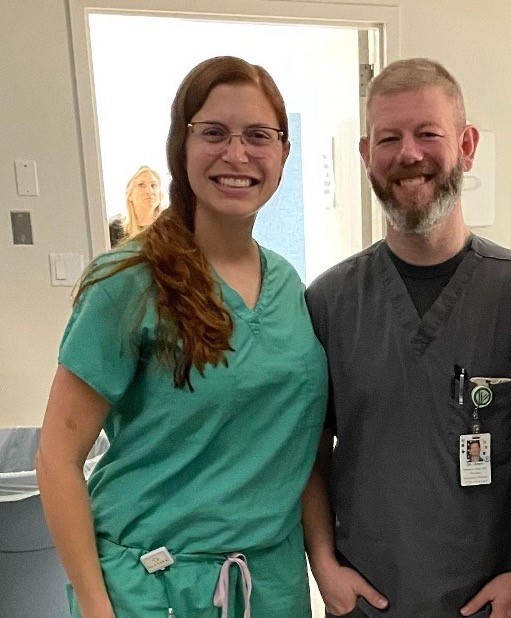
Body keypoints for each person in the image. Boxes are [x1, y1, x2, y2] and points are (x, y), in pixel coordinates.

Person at [35, 56, 328, 617]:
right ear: (181, 145)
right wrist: (98, 608)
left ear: (284, 153)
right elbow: (57, 457)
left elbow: (302, 450)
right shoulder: (128, 280)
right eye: (213, 133)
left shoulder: (290, 285)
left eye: (258, 136)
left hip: (268, 586)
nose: (236, 154)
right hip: (153, 588)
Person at [303, 58, 511, 618]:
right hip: (368, 604)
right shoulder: (329, 302)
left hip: (489, 605)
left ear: (466, 145)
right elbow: (308, 451)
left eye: (428, 133)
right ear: (365, 154)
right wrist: (323, 564)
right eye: (388, 138)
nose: (408, 155)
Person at [109, 166, 165, 247]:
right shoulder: (114, 229)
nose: (149, 191)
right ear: (130, 194)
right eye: (141, 185)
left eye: (153, 185)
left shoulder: (170, 228)